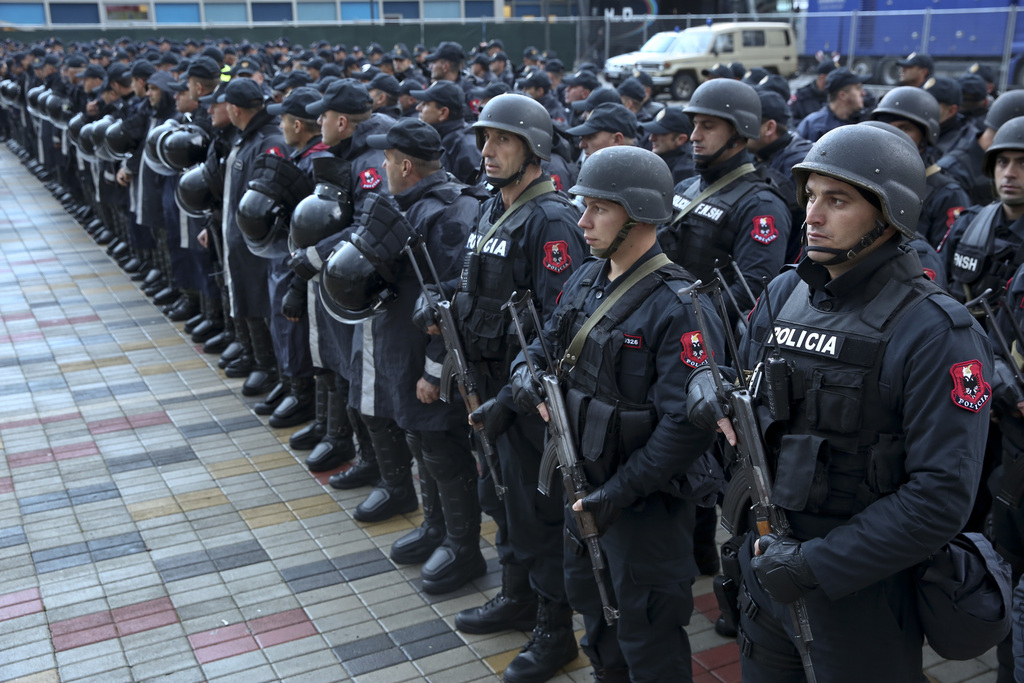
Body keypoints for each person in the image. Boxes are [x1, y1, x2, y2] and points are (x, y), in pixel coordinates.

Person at [690, 122, 992, 681]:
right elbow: (740, 378)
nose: (812, 214)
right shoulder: (787, 290)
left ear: (888, 213)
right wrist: (705, 385)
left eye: (838, 199)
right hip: (764, 559)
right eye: (810, 196)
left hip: (857, 591)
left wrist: (811, 565)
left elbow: (940, 498)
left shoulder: (935, 331)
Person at [513, 145, 724, 681]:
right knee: (597, 621)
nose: (582, 221)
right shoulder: (586, 278)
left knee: (648, 636)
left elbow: (686, 426)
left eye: (599, 209)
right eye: (584, 207)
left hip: (642, 506)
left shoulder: (681, 306)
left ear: (639, 216)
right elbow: (543, 347)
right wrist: (524, 375)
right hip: (583, 484)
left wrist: (619, 492)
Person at [439, 94, 586, 682]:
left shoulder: (550, 217)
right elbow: (481, 281)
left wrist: (517, 396)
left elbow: (560, 318)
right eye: (485, 139)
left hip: (525, 399)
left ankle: (555, 632)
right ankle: (517, 596)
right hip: (489, 387)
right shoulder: (493, 207)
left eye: (502, 140)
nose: (487, 150)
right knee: (499, 498)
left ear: (533, 148)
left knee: (535, 511)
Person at [659, 78, 791, 315]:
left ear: (739, 133)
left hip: (709, 336)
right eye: (695, 125)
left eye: (707, 126)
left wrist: (685, 320)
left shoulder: (761, 206)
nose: (694, 136)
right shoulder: (685, 188)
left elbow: (752, 292)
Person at [796, 68, 866, 143]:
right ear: (842, 95)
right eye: (858, 88)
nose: (863, 93)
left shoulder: (864, 120)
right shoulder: (814, 126)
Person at [789, 61, 835, 125]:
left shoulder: (835, 95)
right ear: (823, 77)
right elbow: (790, 121)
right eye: (834, 77)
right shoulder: (802, 95)